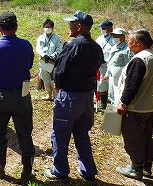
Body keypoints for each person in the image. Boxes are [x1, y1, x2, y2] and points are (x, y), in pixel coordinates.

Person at [44, 10, 103, 183]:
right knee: (82, 133)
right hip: (87, 97)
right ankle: (88, 171)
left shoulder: (72, 45)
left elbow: (60, 70)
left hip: (70, 97)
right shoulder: (96, 46)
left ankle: (60, 171)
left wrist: (57, 84)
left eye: (71, 23)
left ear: (79, 26)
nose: (68, 26)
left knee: (60, 133)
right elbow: (98, 66)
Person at [0, 11, 35, 181]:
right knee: (25, 131)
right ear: (17, 26)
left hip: (0, 95)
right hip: (22, 93)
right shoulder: (26, 45)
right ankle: (27, 171)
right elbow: (29, 64)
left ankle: (0, 167)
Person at [116, 29, 153, 181]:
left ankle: (136, 168)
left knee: (133, 138)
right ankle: (147, 166)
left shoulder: (139, 60)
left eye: (130, 40)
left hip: (135, 108)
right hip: (149, 105)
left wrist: (124, 103)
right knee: (146, 137)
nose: (128, 43)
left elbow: (132, 85)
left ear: (139, 43)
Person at [102, 28, 134, 105]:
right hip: (112, 77)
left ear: (122, 37)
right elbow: (110, 62)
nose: (114, 37)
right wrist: (107, 73)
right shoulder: (114, 47)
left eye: (116, 36)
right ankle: (114, 112)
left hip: (120, 79)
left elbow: (128, 65)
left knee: (119, 96)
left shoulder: (127, 49)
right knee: (112, 94)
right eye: (113, 36)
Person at [36, 19, 62, 101]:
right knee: (45, 78)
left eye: (49, 27)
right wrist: (44, 55)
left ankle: (55, 95)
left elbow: (59, 49)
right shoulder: (40, 38)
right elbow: (38, 48)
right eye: (46, 27)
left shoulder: (57, 38)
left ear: (52, 28)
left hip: (53, 61)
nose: (47, 28)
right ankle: (48, 94)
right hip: (43, 61)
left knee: (53, 79)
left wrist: (52, 56)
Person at [96, 19, 115, 109]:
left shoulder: (114, 39)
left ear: (110, 29)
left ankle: (107, 102)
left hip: (108, 64)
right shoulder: (99, 38)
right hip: (99, 64)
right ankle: (101, 101)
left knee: (108, 83)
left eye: (104, 28)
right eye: (101, 28)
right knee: (100, 83)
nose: (102, 30)